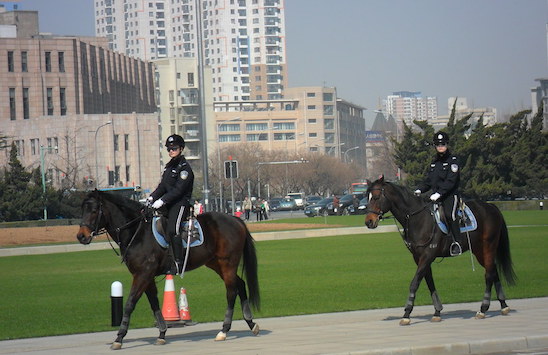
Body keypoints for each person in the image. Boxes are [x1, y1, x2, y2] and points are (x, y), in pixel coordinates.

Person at [148, 134, 194, 274]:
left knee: (173, 230)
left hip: (180, 203)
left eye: (174, 148)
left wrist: (162, 200)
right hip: (169, 204)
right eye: (169, 149)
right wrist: (152, 197)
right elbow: (163, 186)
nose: (171, 151)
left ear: (181, 148)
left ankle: (179, 263)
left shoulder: (184, 168)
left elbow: (179, 190)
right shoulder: (169, 167)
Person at [414, 131, 462, 256]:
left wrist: (439, 193)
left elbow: (451, 181)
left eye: (443, 144)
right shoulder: (434, 163)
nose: (441, 147)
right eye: (438, 144)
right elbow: (429, 181)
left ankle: (457, 242)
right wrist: (420, 189)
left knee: (449, 215)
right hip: (436, 197)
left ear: (447, 145)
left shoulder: (453, 161)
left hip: (450, 195)